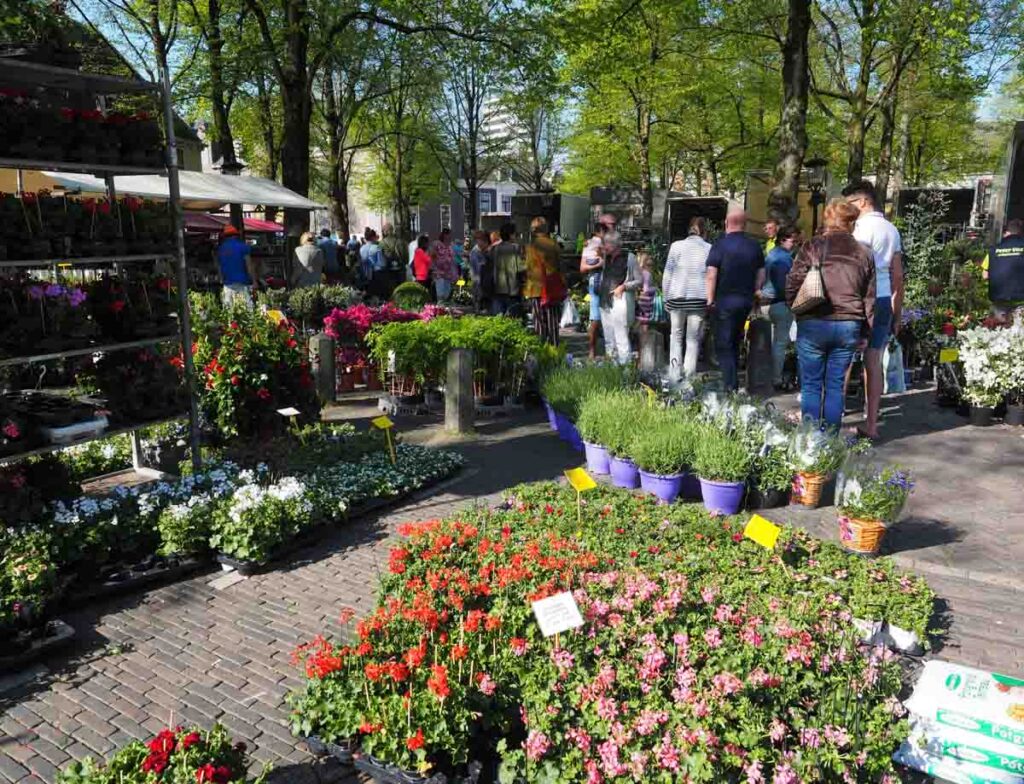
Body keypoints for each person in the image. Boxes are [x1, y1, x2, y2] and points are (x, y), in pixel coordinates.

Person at [785, 199, 876, 431]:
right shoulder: (864, 253)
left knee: (811, 385)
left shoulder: (812, 246)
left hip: (814, 321)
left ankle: (810, 442)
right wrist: (866, 331)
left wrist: (797, 311)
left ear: (827, 219)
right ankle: (831, 443)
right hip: (849, 324)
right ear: (851, 223)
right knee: (835, 386)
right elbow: (869, 297)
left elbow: (792, 283)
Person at [843, 180, 904, 439]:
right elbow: (898, 276)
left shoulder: (859, 229)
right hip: (882, 300)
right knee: (874, 360)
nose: (848, 210)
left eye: (850, 204)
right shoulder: (892, 230)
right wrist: (897, 312)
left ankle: (832, 417)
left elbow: (852, 270)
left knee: (843, 358)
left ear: (863, 202)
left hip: (860, 300)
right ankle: (871, 423)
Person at [705, 208, 765, 391]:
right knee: (736, 340)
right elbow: (761, 273)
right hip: (745, 301)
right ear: (744, 224)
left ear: (726, 223)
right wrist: (756, 290)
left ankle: (729, 385)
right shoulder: (754, 246)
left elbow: (711, 274)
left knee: (723, 344)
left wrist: (709, 299)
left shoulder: (719, 245)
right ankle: (733, 380)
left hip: (724, 301)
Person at [662, 216, 711, 378]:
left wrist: (665, 297)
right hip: (699, 298)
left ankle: (674, 373)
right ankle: (689, 377)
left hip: (677, 296)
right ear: (703, 231)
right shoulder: (709, 248)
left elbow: (667, 274)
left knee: (675, 335)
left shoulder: (676, 246)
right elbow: (711, 275)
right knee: (693, 339)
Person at [598, 229, 642, 364]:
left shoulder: (630, 258)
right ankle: (611, 369)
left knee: (621, 336)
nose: (603, 247)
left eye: (606, 244)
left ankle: (625, 368)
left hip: (620, 301)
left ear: (614, 245)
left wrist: (624, 287)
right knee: (609, 338)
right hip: (605, 301)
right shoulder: (607, 258)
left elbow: (639, 281)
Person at [763, 225, 797, 389]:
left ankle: (764, 375)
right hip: (781, 303)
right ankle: (776, 378)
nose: (795, 244)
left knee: (769, 343)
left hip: (766, 302)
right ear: (783, 239)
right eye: (793, 240)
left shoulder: (771, 254)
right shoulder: (784, 259)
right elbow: (783, 285)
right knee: (780, 343)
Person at [523, 217, 565, 346]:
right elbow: (560, 265)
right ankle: (555, 348)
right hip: (552, 288)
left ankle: (542, 350)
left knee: (539, 323)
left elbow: (527, 267)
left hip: (535, 289)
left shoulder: (530, 247)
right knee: (552, 322)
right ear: (546, 228)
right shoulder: (553, 245)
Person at [983, 217, 1024, 323]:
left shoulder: (993, 250)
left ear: (1007, 231)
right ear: (1020, 232)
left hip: (998, 298)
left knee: (999, 331)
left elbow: (985, 276)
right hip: (1020, 299)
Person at [579, 225, 605, 359]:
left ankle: (592, 352)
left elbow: (582, 268)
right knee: (603, 316)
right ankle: (602, 351)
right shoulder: (598, 243)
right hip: (601, 280)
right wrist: (599, 263)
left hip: (593, 279)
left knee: (595, 317)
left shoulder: (587, 245)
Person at [217, 225, 256, 307]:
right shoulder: (243, 247)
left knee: (229, 313)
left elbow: (219, 266)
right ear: (236, 235)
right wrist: (254, 281)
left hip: (228, 284)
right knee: (247, 312)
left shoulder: (221, 249)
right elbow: (249, 265)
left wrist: (221, 279)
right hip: (242, 283)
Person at [491, 223, 523, 315]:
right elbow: (519, 268)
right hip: (512, 289)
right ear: (511, 234)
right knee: (514, 317)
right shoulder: (515, 248)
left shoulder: (495, 248)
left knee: (499, 318)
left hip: (497, 287)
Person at [378, 222, 406, 299]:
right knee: (401, 288)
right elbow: (405, 255)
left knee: (391, 289)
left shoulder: (381, 243)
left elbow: (381, 257)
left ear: (385, 231)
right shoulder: (400, 241)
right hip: (400, 268)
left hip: (388, 269)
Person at [430, 228, 458, 303]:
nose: (449, 237)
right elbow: (432, 256)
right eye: (448, 235)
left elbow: (453, 260)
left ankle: (444, 307)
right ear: (444, 235)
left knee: (447, 293)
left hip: (448, 274)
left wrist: (455, 274)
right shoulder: (436, 244)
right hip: (439, 273)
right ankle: (440, 307)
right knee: (440, 293)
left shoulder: (451, 245)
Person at [470, 230, 493, 313]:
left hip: (488, 284)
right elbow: (477, 269)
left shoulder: (488, 250)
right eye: (478, 240)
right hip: (478, 282)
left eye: (480, 240)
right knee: (479, 302)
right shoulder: (475, 252)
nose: (479, 242)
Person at [635, 250, 657, 334]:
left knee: (639, 319)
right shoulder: (647, 273)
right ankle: (644, 338)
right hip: (646, 300)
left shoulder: (638, 273)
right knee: (645, 320)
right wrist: (655, 289)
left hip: (639, 298)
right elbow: (646, 290)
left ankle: (637, 339)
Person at [359, 228, 385, 296]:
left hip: (364, 274)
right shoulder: (377, 248)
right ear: (373, 237)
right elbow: (382, 264)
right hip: (375, 275)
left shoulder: (362, 248)